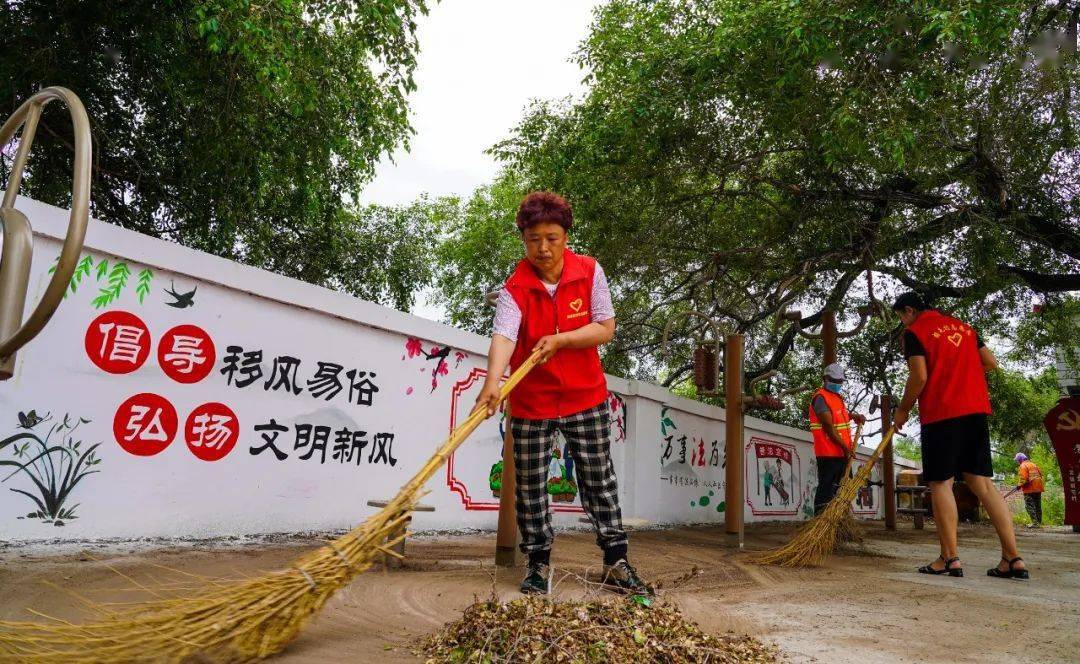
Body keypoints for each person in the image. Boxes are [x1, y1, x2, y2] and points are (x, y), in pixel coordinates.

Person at [474, 191, 650, 596]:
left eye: (552, 237)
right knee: (532, 484)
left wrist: (560, 339)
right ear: (523, 239)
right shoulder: (515, 286)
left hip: (584, 397)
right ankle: (538, 564)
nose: (543, 247)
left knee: (597, 479)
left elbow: (605, 327)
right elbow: (503, 336)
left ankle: (616, 560)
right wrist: (492, 384)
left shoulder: (589, 272)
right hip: (532, 401)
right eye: (534, 239)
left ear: (565, 236)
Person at [891, 292, 1029, 580]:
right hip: (975, 412)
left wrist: (902, 409)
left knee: (941, 483)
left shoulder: (915, 332)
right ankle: (1012, 558)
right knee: (984, 485)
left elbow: (919, 377)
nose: (902, 322)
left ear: (909, 310)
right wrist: (960, 371)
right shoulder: (965, 328)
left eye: (901, 316)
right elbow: (990, 362)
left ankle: (949, 558)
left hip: (942, 413)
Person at [808, 363, 866, 514]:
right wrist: (846, 448)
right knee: (826, 491)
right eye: (835, 380)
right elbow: (829, 427)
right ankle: (820, 523)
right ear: (825, 378)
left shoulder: (836, 397)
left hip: (842, 453)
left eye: (840, 381)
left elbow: (841, 416)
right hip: (828, 454)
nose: (838, 384)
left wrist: (854, 416)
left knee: (842, 491)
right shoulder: (820, 398)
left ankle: (839, 524)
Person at [1015, 453, 1045, 527]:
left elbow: (1023, 478)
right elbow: (1040, 475)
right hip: (1038, 487)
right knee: (1037, 505)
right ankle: (1039, 522)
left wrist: (1019, 485)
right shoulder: (1034, 465)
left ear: (1020, 459)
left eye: (1018, 460)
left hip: (1030, 489)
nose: (1018, 462)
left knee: (1029, 506)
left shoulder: (1023, 466)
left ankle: (1035, 523)